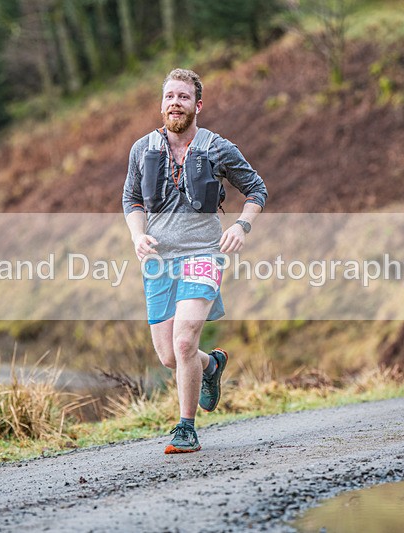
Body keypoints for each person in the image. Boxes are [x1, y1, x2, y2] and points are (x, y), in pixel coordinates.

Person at [122, 68, 268, 454]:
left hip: (204, 255)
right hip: (157, 261)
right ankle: (212, 366)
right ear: (162, 104)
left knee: (184, 342)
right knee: (170, 355)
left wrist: (241, 226)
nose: (175, 103)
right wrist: (138, 236)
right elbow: (131, 200)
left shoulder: (217, 147)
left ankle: (186, 428)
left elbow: (256, 189)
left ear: (197, 105)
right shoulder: (142, 149)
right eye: (170, 96)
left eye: (183, 97)